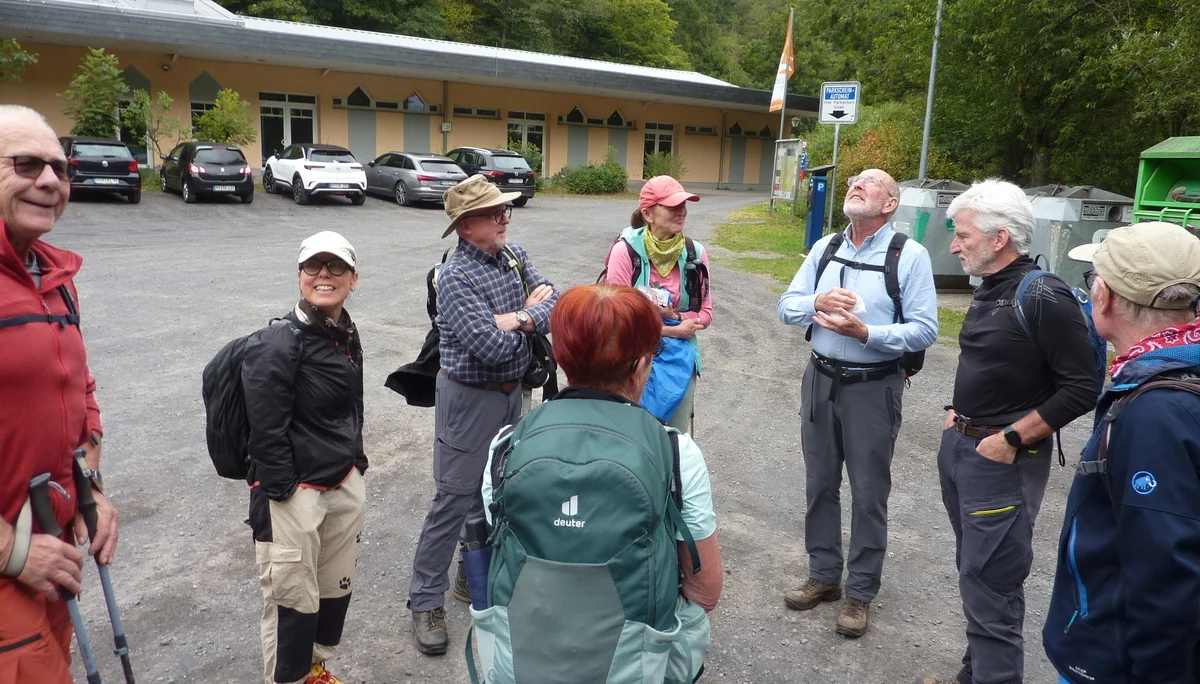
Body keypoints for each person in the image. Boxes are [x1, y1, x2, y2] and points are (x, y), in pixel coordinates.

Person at [471, 284, 723, 683]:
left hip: (523, 665)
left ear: (563, 360)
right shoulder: (676, 453)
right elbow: (705, 590)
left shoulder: (507, 444)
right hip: (631, 667)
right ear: (641, 365)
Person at [920, 180, 1101, 684]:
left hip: (1003, 461)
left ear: (1000, 238)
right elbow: (1001, 367)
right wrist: (958, 411)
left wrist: (1012, 439)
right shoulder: (994, 288)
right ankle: (974, 670)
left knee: (988, 580)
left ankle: (993, 675)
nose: (954, 246)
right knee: (981, 574)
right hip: (964, 448)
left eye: (963, 236)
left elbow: (1082, 387)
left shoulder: (1041, 293)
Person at [777, 168, 937, 638]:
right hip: (820, 379)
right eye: (854, 180)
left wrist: (867, 332)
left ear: (889, 204)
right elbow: (786, 305)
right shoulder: (827, 247)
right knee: (819, 483)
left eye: (869, 181)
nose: (856, 183)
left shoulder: (909, 255)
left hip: (875, 384)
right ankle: (824, 576)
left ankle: (860, 592)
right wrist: (818, 301)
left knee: (869, 493)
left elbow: (926, 329)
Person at [1042, 222, 1200, 684]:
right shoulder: (1173, 369)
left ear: (1104, 295)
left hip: (1118, 665)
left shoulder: (1157, 411)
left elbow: (1168, 580)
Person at [408, 174, 558, 656]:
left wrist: (517, 317)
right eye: (494, 214)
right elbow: (487, 346)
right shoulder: (454, 276)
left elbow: (555, 302)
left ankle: (469, 577)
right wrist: (526, 315)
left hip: (512, 395)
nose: (504, 219)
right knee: (453, 497)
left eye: (504, 211)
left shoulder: (515, 256)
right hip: (468, 398)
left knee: (497, 493)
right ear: (466, 226)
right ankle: (425, 600)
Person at [0, 105, 119, 682]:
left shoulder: (52, 279)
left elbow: (78, 390)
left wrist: (89, 489)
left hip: (52, 555)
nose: (49, 181)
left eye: (60, 168)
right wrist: (13, 552)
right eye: (26, 164)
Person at [243, 230, 368, 684]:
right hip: (295, 495)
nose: (324, 275)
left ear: (354, 277)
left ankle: (315, 671)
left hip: (340, 482)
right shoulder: (278, 342)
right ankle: (289, 679)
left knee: (332, 594)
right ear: (299, 277)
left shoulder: (343, 334)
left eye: (336, 267)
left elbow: (351, 405)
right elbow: (265, 430)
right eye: (313, 266)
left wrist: (356, 462)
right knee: (292, 602)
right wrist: (285, 492)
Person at [602, 175, 711, 432]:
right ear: (648, 214)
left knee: (674, 438)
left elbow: (706, 312)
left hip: (680, 363)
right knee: (629, 435)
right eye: (672, 206)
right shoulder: (625, 251)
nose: (682, 211)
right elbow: (614, 316)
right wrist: (672, 328)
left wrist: (677, 316)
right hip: (630, 358)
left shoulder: (695, 253)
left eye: (684, 205)